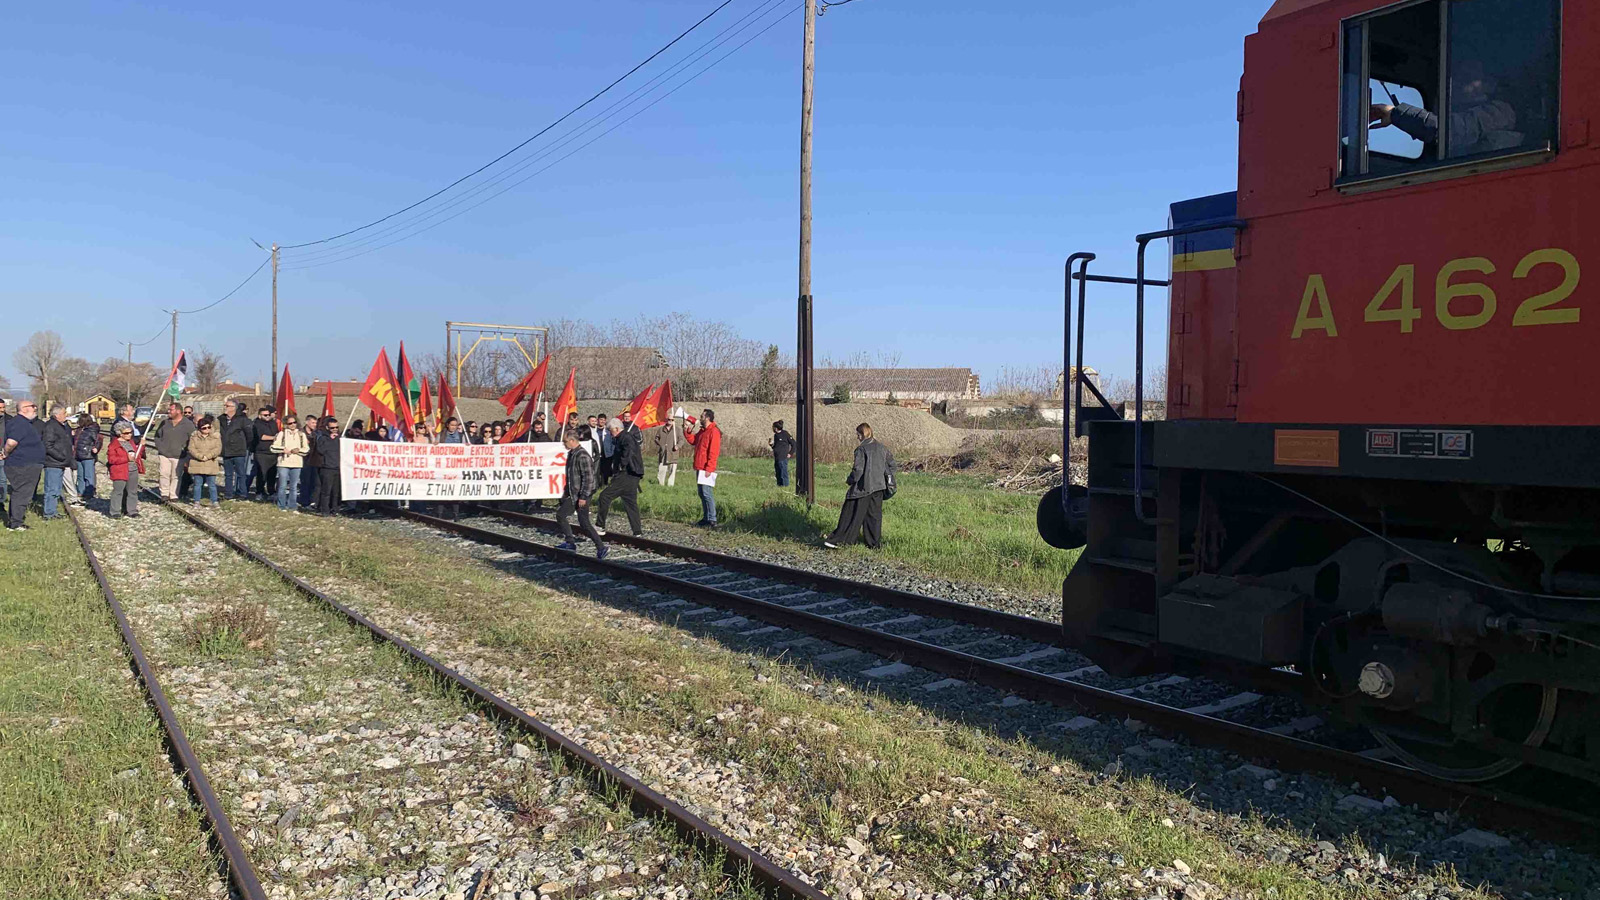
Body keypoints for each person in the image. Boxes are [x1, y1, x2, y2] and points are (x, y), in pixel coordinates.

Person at [1369, 61, 1520, 157]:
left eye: (1469, 78)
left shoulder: (1500, 112)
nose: (1459, 83)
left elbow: (1450, 132)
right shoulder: (1455, 110)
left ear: (1489, 84)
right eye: (1458, 77)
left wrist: (1395, 113)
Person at [823, 423, 896, 550]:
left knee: (850, 514)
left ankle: (840, 541)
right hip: (879, 488)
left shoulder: (861, 449)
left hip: (863, 488)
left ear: (862, 434)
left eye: (857, 434)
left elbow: (858, 471)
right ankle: (874, 544)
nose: (857, 437)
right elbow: (892, 465)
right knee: (873, 517)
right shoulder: (882, 448)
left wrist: (850, 480)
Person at [554, 427, 606, 558]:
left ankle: (600, 547)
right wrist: (566, 491)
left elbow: (588, 478)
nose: (563, 444)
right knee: (565, 516)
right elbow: (572, 476)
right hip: (574, 494)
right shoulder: (572, 454)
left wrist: (583, 497)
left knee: (582, 522)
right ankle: (572, 542)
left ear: (572, 440)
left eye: (565, 441)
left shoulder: (582, 455)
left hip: (580, 495)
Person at [594, 417, 644, 537]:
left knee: (604, 496)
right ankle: (637, 532)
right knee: (630, 503)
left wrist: (620, 468)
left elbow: (628, 453)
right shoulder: (623, 437)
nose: (610, 433)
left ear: (616, 429)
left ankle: (600, 525)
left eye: (611, 430)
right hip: (633, 475)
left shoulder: (625, 438)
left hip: (626, 474)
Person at [1, 399, 45, 530]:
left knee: (20, 492)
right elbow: (11, 442)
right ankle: (16, 523)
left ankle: (14, 520)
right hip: (22, 465)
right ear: (24, 408)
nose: (35, 409)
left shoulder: (23, 423)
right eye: (33, 407)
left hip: (26, 464)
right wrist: (6, 453)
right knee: (22, 493)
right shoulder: (19, 423)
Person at [683, 408, 722, 528]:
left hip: (706, 468)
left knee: (707, 493)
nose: (700, 418)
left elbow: (713, 452)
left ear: (707, 418)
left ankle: (712, 519)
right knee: (701, 493)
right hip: (700, 466)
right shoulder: (703, 431)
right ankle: (706, 518)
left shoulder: (713, 432)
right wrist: (687, 431)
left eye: (702, 416)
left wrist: (709, 468)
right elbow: (694, 441)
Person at [39, 405, 75, 518]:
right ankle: (49, 513)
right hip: (53, 462)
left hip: (59, 462)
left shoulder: (61, 426)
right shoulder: (51, 426)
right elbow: (48, 445)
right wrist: (61, 457)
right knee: (52, 489)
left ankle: (52, 511)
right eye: (64, 413)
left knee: (57, 489)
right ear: (57, 415)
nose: (66, 416)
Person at [269, 414, 309, 511]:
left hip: (297, 463)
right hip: (283, 463)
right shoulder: (281, 434)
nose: (292, 425)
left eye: (294, 422)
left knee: (293, 486)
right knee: (282, 486)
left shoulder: (301, 435)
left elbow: (306, 450)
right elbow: (273, 447)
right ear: (286, 424)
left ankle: (292, 506)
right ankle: (281, 506)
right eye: (290, 423)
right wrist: (283, 449)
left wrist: (298, 450)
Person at [106, 421, 143, 518]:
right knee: (118, 491)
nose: (129, 435)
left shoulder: (131, 442)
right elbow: (111, 459)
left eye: (131, 432)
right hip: (120, 471)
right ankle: (115, 511)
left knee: (132, 491)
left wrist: (141, 446)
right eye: (126, 433)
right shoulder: (114, 444)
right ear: (120, 433)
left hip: (133, 470)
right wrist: (126, 458)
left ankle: (131, 510)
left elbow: (136, 455)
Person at [219, 399, 253, 500]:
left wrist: (244, 445)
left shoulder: (242, 419)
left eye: (227, 406)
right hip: (226, 450)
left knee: (241, 473)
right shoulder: (222, 419)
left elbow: (249, 435)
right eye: (225, 405)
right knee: (228, 474)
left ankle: (242, 493)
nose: (225, 407)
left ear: (234, 408)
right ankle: (228, 493)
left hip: (238, 450)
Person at [186, 415, 223, 507]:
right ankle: (196, 501)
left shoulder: (216, 437)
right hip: (197, 463)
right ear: (199, 428)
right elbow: (191, 448)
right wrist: (200, 456)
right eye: (204, 428)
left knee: (212, 484)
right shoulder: (194, 436)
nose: (207, 429)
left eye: (209, 427)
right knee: (197, 484)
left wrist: (208, 456)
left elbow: (218, 449)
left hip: (210, 463)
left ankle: (214, 501)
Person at [313, 416, 343, 516]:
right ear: (327, 428)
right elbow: (320, 450)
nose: (335, 429)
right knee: (326, 491)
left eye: (336, 427)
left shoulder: (340, 438)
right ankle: (324, 510)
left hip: (337, 468)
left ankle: (335, 509)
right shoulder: (322, 438)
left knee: (336, 492)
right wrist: (330, 440)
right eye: (332, 428)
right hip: (326, 468)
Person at [251, 406, 280, 501]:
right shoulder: (257, 424)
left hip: (272, 452)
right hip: (261, 453)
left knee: (272, 474)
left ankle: (271, 491)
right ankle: (259, 492)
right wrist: (274, 438)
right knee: (261, 474)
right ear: (260, 415)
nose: (267, 416)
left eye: (269, 414)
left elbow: (277, 433)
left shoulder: (273, 423)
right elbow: (262, 437)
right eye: (265, 415)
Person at [73, 413, 103, 502]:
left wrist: (96, 448)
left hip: (88, 456)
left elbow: (98, 440)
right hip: (78, 455)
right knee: (80, 475)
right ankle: (81, 491)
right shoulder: (79, 430)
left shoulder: (92, 430)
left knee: (88, 475)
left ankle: (89, 493)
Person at [653, 417, 680, 487]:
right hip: (663, 453)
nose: (670, 421)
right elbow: (656, 438)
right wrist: (660, 444)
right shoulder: (661, 429)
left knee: (672, 470)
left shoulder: (677, 430)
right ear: (666, 420)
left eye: (672, 420)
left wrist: (678, 446)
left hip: (673, 453)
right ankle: (660, 485)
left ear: (674, 421)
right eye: (669, 419)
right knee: (661, 469)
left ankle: (670, 486)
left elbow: (682, 440)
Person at [769, 420, 794, 487]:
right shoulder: (776, 435)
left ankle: (785, 486)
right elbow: (776, 447)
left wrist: (790, 453)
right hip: (777, 457)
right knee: (778, 474)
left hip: (783, 457)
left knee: (783, 474)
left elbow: (794, 444)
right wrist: (771, 445)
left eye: (773, 427)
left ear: (776, 428)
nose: (772, 428)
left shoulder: (785, 434)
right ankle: (779, 486)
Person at [0, 398, 8, 506]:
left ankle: (1, 501)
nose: (1, 410)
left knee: (3, 480)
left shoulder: (9, 420)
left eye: (3, 408)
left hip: (4, 454)